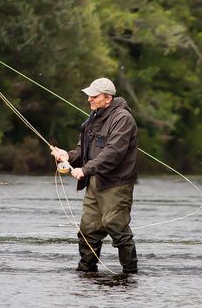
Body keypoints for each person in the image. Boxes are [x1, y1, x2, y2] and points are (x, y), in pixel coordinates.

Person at [50, 77, 139, 274]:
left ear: (108, 99)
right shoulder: (93, 118)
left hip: (116, 184)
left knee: (116, 228)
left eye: (94, 96)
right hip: (94, 183)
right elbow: (84, 150)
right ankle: (86, 272)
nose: (89, 99)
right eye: (89, 95)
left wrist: (85, 169)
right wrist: (69, 156)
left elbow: (113, 153)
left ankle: (130, 274)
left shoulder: (122, 119)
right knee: (88, 230)